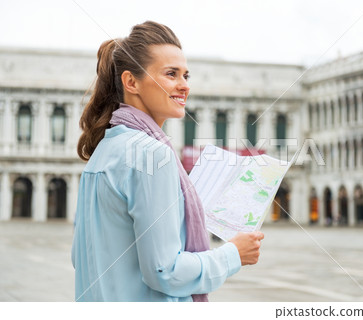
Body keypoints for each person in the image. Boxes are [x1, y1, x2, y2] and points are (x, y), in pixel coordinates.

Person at [71, 21, 264, 302]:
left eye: (186, 75)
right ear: (131, 82)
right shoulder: (153, 154)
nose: (184, 85)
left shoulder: (102, 151)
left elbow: (81, 258)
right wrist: (233, 253)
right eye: (171, 74)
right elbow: (165, 270)